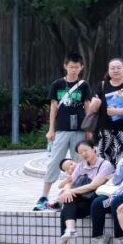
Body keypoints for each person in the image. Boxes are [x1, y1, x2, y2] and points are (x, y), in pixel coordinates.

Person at [36, 53, 94, 211]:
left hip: (79, 130)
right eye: (71, 67)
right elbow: (53, 107)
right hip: (61, 129)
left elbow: (88, 107)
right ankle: (44, 196)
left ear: (81, 67)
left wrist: (89, 129)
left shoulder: (84, 85)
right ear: (65, 66)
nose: (73, 70)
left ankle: (75, 195)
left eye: (76, 67)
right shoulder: (57, 84)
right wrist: (51, 129)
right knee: (54, 161)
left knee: (79, 163)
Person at [50, 140, 116, 244]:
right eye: (80, 152)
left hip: (100, 199)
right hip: (85, 200)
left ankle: (64, 243)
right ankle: (68, 233)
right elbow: (70, 181)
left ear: (93, 149)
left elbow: (93, 185)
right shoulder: (81, 165)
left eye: (85, 150)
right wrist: (67, 190)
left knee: (70, 199)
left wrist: (70, 191)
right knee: (68, 202)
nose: (83, 154)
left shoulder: (105, 165)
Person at [87, 58, 123, 166]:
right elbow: (92, 110)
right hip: (104, 133)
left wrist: (117, 111)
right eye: (112, 68)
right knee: (103, 164)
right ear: (108, 70)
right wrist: (94, 104)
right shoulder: (101, 86)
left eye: (118, 68)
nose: (115, 70)